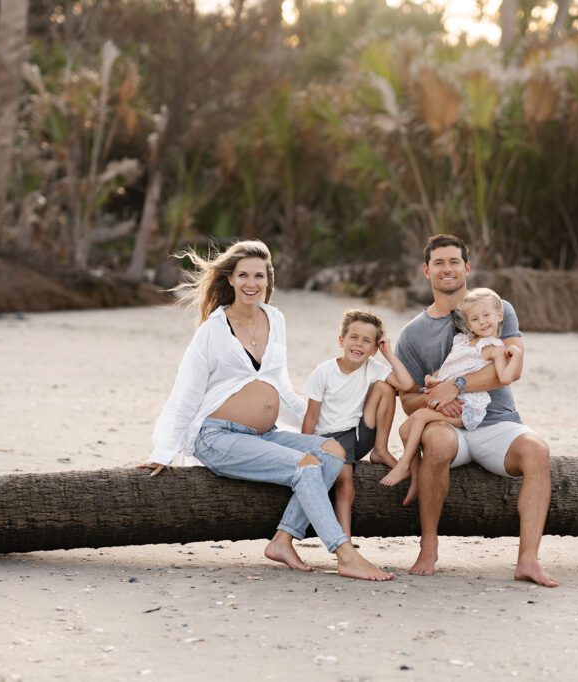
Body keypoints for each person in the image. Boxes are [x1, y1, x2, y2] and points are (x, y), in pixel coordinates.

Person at [139, 239, 394, 581]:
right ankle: (344, 553)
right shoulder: (212, 331)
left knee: (331, 453)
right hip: (218, 437)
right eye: (243, 275)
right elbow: (186, 393)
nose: (251, 283)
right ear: (229, 279)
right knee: (306, 468)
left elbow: (280, 387)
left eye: (259, 276)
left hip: (265, 434)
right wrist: (163, 450)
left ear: (268, 280)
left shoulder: (275, 319)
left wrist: (324, 420)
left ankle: (282, 540)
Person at [395, 234, 558, 587]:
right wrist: (435, 397)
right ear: (426, 270)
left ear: (467, 267)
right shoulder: (412, 334)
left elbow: (506, 371)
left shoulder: (495, 309)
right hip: (448, 426)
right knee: (435, 443)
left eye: (454, 261)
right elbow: (407, 399)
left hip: (496, 422)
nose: (447, 269)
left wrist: (458, 384)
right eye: (438, 263)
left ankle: (528, 560)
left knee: (537, 451)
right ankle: (428, 546)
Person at [380, 288, 522, 488]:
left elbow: (506, 377)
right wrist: (432, 380)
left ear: (499, 316)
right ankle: (416, 478)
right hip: (451, 400)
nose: (482, 321)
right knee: (405, 429)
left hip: (469, 409)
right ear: (468, 323)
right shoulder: (462, 341)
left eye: (487, 315)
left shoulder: (496, 350)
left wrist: (516, 355)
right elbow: (448, 368)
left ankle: (403, 465)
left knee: (419, 418)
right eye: (475, 318)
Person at [301, 310, 416, 539]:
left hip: (357, 435)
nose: (359, 344)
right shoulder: (324, 371)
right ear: (341, 340)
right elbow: (311, 417)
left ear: (374, 349)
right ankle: (344, 540)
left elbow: (406, 383)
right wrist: (305, 450)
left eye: (367, 341)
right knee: (346, 486)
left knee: (385, 388)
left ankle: (381, 450)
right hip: (328, 440)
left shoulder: (372, 367)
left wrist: (388, 353)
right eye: (354, 337)